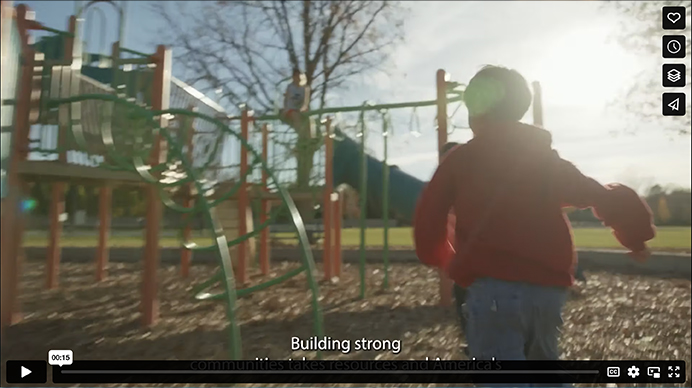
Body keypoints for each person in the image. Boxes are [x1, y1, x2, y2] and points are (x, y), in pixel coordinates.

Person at [413, 65, 654, 365]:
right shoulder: (545, 161)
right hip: (548, 288)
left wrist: (440, 256)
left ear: (475, 108)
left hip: (491, 287)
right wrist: (636, 238)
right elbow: (599, 194)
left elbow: (429, 214)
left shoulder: (460, 160)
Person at [281, 68, 312, 137]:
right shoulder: (290, 87)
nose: (297, 78)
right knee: (296, 116)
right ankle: (301, 135)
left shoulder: (305, 88)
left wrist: (304, 109)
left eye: (299, 76)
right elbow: (286, 99)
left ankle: (310, 137)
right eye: (296, 76)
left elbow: (306, 101)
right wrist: (285, 109)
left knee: (309, 119)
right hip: (291, 109)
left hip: (300, 109)